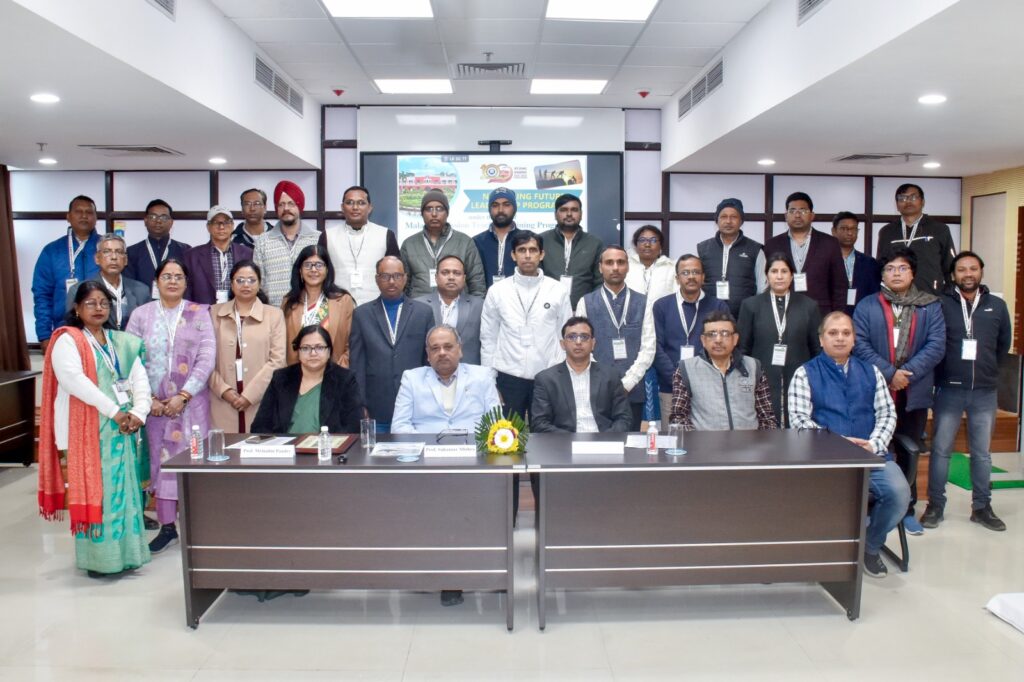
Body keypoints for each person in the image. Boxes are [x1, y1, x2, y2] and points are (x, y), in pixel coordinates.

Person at [37, 282, 152, 577]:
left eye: (104, 303)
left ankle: (129, 556)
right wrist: (116, 412)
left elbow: (139, 377)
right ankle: (100, 560)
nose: (99, 308)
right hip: (89, 430)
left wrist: (139, 412)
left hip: (123, 429)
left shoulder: (121, 342)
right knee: (99, 495)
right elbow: (75, 381)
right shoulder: (67, 340)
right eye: (90, 303)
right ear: (76, 308)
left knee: (126, 492)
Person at [788, 311, 908, 578]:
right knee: (820, 501)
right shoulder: (804, 373)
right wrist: (839, 443)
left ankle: (869, 546)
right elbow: (798, 421)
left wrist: (874, 444)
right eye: (833, 333)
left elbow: (887, 413)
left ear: (854, 339)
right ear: (821, 339)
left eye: (846, 333)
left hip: (871, 457)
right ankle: (826, 553)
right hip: (824, 460)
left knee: (899, 494)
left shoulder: (872, 372)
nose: (840, 338)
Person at [853, 246, 945, 535]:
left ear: (912, 273)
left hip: (913, 391)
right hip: (874, 391)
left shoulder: (930, 305)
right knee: (873, 447)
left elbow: (936, 345)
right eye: (890, 268)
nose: (896, 273)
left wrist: (906, 375)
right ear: (882, 274)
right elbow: (860, 343)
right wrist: (890, 373)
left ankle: (907, 508)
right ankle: (868, 505)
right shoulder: (868, 305)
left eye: (902, 268)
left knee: (909, 448)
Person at [125, 258, 215, 554]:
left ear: (186, 283)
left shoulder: (199, 313)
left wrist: (184, 395)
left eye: (178, 276)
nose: (173, 281)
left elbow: (206, 357)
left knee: (193, 463)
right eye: (167, 276)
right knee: (161, 464)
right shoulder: (141, 315)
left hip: (191, 405)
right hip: (155, 409)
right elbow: (131, 360)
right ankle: (167, 527)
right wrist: (148, 399)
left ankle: (196, 526)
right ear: (156, 281)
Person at [922, 251, 1010, 532]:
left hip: (984, 391)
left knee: (982, 453)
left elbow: (1003, 345)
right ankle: (935, 505)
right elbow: (933, 342)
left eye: (973, 268)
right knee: (941, 451)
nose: (968, 274)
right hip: (949, 389)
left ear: (981, 272)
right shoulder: (940, 304)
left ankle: (982, 507)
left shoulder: (997, 306)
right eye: (962, 269)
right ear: (953, 275)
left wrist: (986, 371)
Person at [480, 230, 573, 421]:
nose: (528, 255)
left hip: (548, 374)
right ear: (513, 255)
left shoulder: (558, 290)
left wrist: (563, 374)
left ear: (542, 254)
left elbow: (565, 336)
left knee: (547, 433)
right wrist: (489, 379)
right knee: (508, 434)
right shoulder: (497, 291)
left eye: (533, 250)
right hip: (508, 375)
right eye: (522, 250)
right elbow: (488, 338)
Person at [348, 256, 434, 431]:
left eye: (397, 276)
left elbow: (429, 360)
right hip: (376, 404)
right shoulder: (361, 314)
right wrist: (360, 403)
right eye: (385, 276)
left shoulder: (423, 312)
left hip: (417, 403)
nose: (392, 281)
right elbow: (357, 363)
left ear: (405, 278)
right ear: (376, 279)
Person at [737, 252, 822, 427]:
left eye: (784, 271)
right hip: (762, 376)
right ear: (767, 275)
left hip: (799, 377)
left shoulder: (809, 306)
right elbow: (743, 348)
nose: (779, 276)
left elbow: (816, 348)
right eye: (774, 271)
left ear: (792, 275)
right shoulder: (750, 305)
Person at [575, 246, 654, 430]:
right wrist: (605, 381)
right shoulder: (586, 302)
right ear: (600, 267)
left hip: (633, 389)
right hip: (597, 388)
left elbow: (649, 348)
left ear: (628, 267)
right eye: (609, 262)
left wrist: (627, 383)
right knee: (596, 442)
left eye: (620, 262)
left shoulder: (643, 302)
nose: (615, 267)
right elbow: (582, 347)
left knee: (630, 442)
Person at [208, 261, 286, 433]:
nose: (245, 285)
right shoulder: (213, 313)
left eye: (251, 280)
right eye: (240, 280)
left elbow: (278, 361)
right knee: (224, 447)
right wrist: (224, 391)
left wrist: (250, 396)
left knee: (258, 445)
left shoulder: (274, 315)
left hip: (261, 399)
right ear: (231, 284)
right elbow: (204, 361)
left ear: (259, 284)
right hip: (222, 401)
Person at [652, 254, 730, 424]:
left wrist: (700, 380)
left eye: (696, 272)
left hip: (708, 387)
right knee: (673, 437)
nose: (691, 277)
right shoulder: (661, 306)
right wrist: (677, 379)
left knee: (707, 436)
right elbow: (656, 347)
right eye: (685, 273)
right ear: (677, 278)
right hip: (670, 388)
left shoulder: (718, 306)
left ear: (703, 277)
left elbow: (724, 347)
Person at [669, 311, 776, 431]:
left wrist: (761, 441)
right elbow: (678, 418)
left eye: (725, 333)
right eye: (711, 334)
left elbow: (767, 416)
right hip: (704, 442)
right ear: (703, 340)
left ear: (735, 339)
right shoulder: (686, 368)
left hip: (749, 441)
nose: (718, 340)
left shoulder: (753, 366)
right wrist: (698, 441)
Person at [251, 326, 363, 434]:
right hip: (286, 445)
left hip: (327, 445)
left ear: (329, 351)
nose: (313, 353)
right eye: (305, 348)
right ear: (298, 352)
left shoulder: (345, 379)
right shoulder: (281, 378)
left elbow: (354, 426)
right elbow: (260, 425)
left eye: (319, 347)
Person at [392, 325, 501, 434]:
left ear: (459, 349)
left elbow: (496, 422)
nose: (442, 353)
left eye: (448, 347)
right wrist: (428, 443)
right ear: (428, 354)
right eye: (435, 348)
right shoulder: (412, 379)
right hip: (426, 443)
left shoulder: (482, 376)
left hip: (474, 443)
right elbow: (399, 426)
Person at [531, 317, 632, 433]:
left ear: (593, 343)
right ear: (563, 344)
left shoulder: (610, 376)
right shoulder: (546, 379)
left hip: (603, 439)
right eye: (572, 337)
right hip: (564, 441)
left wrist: (604, 439)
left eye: (584, 337)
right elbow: (539, 423)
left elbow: (624, 418)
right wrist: (572, 440)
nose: (578, 342)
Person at [32, 195, 102, 351]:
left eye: (89, 212)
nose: (84, 216)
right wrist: (44, 335)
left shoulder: (107, 249)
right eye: (78, 211)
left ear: (96, 218)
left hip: (102, 330)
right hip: (64, 330)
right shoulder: (52, 251)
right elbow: (42, 295)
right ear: (68, 217)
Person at [624, 225, 677, 428]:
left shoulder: (671, 267)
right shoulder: (626, 265)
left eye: (653, 240)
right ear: (635, 244)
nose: (647, 244)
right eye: (642, 240)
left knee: (660, 381)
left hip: (662, 332)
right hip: (632, 331)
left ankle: (657, 428)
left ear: (661, 245)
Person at [762, 192, 847, 316]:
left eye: (803, 211)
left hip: (820, 313)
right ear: (786, 216)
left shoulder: (830, 243)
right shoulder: (772, 244)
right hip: (782, 312)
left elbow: (839, 285)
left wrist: (837, 316)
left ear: (812, 215)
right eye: (792, 211)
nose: (797, 215)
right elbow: (766, 283)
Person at [319, 185, 400, 306]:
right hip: (338, 305)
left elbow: (396, 274)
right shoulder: (327, 236)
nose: (355, 207)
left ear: (370, 208)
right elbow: (320, 273)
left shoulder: (386, 234)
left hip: (377, 306)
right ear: (342, 207)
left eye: (361, 203)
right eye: (349, 203)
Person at [400, 189, 485, 299]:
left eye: (439, 209)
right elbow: (402, 285)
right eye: (429, 209)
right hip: (419, 306)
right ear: (422, 214)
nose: (434, 214)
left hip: (457, 306)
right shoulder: (409, 244)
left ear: (447, 213)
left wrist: (475, 307)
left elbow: (477, 283)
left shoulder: (465, 242)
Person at [876, 183, 956, 295]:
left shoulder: (939, 229)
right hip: (895, 297)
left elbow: (950, 266)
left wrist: (950, 295)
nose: (908, 202)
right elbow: (880, 266)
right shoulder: (887, 232)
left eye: (913, 197)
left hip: (931, 296)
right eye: (902, 198)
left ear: (923, 202)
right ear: (897, 205)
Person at [281, 245, 355, 367]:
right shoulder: (288, 302)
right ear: (300, 270)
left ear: (327, 270)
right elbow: (281, 344)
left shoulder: (343, 301)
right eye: (307, 265)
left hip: (334, 372)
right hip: (297, 374)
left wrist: (338, 371)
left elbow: (352, 343)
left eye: (319, 265)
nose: (313, 269)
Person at [252, 180, 321, 306]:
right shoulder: (263, 241)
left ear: (300, 206)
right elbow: (258, 283)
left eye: (291, 203)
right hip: (274, 312)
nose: (286, 208)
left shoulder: (317, 239)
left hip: (310, 311)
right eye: (281, 204)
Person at [66, 233, 151, 331]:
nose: (114, 257)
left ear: (125, 260)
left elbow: (147, 329)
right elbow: (73, 329)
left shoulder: (142, 290)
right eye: (107, 252)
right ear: (97, 258)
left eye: (119, 252)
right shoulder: (78, 290)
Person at [697, 198, 766, 317]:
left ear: (741, 221)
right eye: (723, 217)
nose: (728, 221)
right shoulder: (703, 248)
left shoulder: (755, 249)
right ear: (717, 220)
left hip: (744, 316)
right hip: (709, 316)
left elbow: (762, 288)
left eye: (734, 217)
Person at [415, 254, 484, 364]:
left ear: (464, 278)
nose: (451, 277)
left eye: (457, 273)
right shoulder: (418, 305)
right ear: (436, 277)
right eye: (445, 272)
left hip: (468, 370)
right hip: (429, 370)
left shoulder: (479, 306)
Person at [539, 194, 603, 308]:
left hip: (583, 311)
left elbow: (600, 281)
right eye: (564, 210)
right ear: (555, 214)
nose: (569, 214)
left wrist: (588, 306)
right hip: (547, 309)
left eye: (574, 210)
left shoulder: (595, 243)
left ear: (581, 214)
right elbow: (535, 278)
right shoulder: (541, 240)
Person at [182, 205, 253, 305]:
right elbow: (186, 291)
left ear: (232, 226)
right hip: (204, 312)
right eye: (216, 222)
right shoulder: (191, 256)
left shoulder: (247, 253)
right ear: (208, 227)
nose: (221, 227)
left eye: (226, 222)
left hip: (238, 310)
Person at [125, 199, 190, 297]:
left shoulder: (185, 251)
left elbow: (189, 284)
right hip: (142, 304)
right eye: (153, 217)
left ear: (171, 222)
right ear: (145, 221)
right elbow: (129, 286)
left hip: (177, 304)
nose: (158, 221)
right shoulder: (131, 252)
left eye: (164, 217)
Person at [832, 211, 880, 314]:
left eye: (853, 229)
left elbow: (875, 294)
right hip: (832, 316)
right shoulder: (826, 260)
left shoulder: (869, 263)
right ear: (834, 231)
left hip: (861, 316)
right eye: (844, 228)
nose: (849, 233)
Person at [473, 187, 521, 288]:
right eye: (495, 205)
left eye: (506, 205)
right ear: (489, 209)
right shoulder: (476, 242)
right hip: (485, 297)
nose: (500, 210)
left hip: (519, 297)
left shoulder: (526, 240)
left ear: (514, 208)